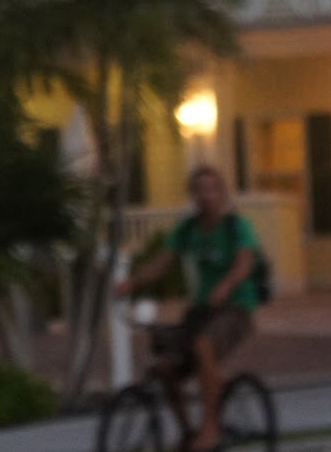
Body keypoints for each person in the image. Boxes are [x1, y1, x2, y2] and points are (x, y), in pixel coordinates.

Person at [114, 165, 260, 452]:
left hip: (235, 309)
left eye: (213, 189)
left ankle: (211, 429)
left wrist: (227, 285)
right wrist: (131, 282)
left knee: (204, 344)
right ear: (193, 195)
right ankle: (187, 433)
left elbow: (245, 261)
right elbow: (161, 263)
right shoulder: (188, 229)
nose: (207, 196)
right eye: (200, 190)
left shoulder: (236, 227)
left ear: (222, 193)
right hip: (202, 311)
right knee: (166, 366)